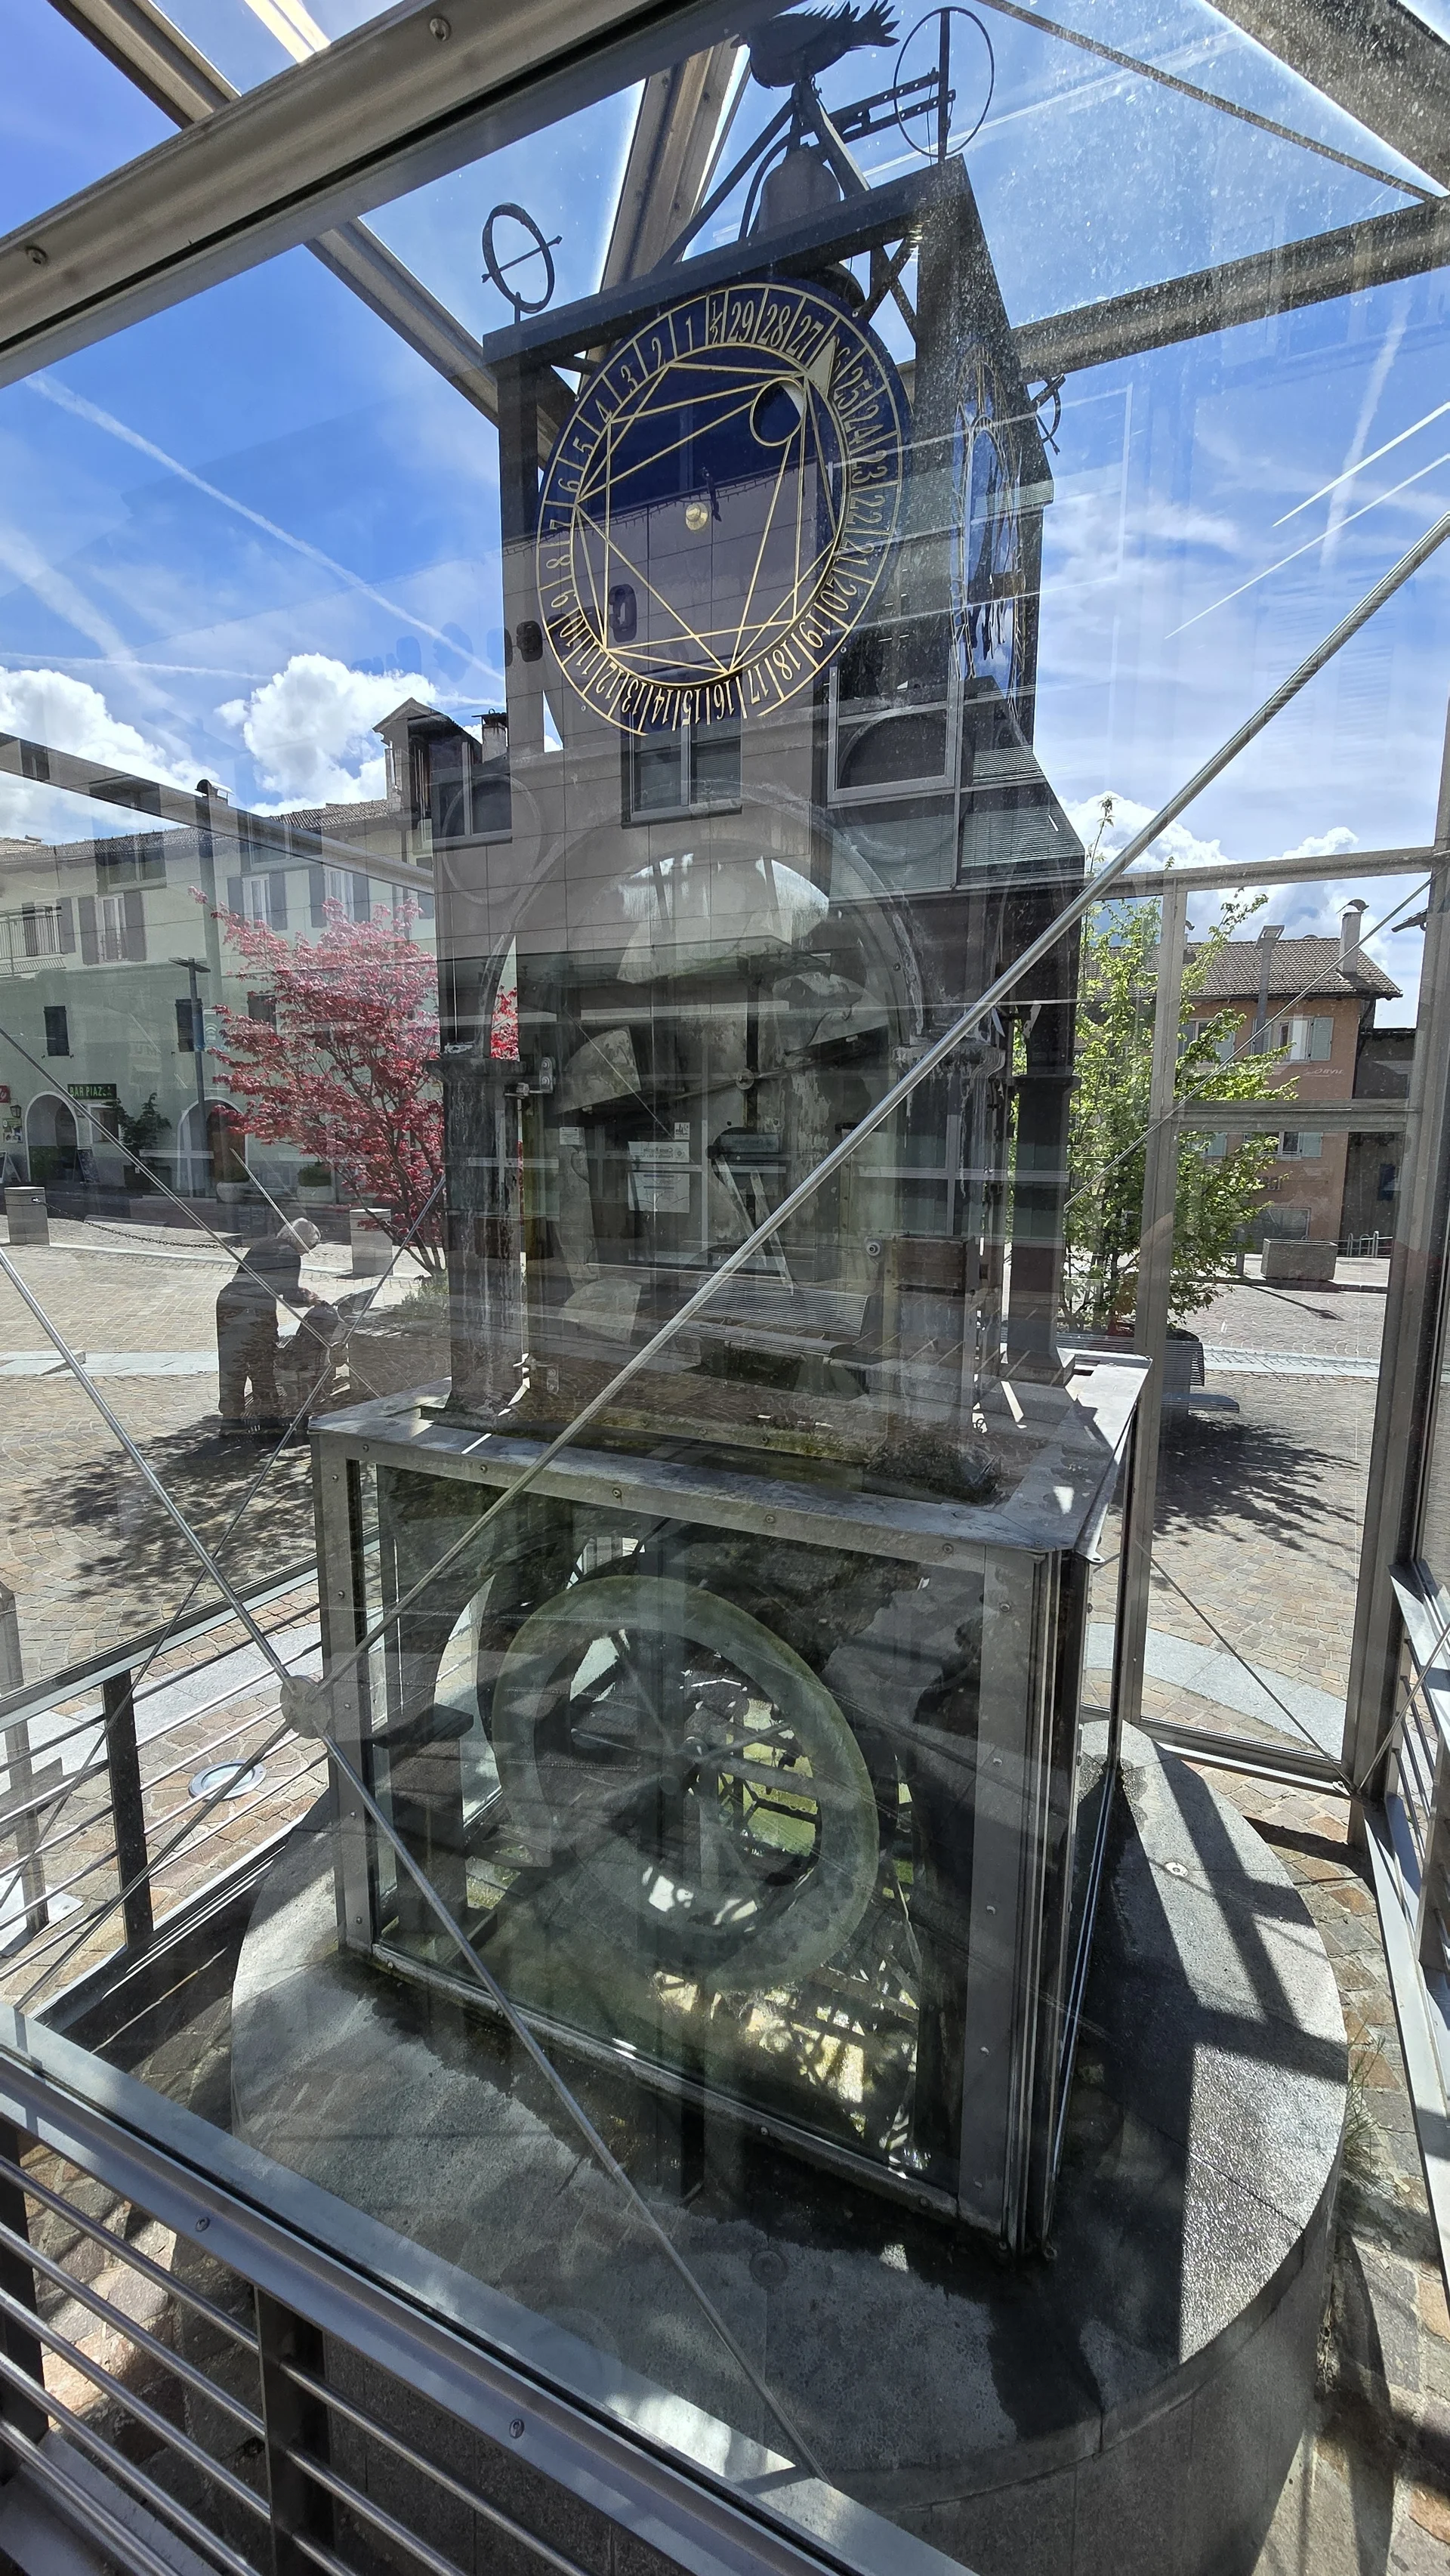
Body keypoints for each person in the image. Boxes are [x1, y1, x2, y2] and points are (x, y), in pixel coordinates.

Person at [216, 1219, 324, 1432]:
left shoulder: (264, 1245)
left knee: (232, 1364)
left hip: (228, 1303)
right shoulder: (290, 1254)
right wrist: (310, 1298)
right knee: (262, 1364)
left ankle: (230, 1421)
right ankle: (269, 1422)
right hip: (254, 1310)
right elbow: (290, 1294)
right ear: (302, 1241)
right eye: (310, 1247)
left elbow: (275, 1283)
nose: (306, 1252)